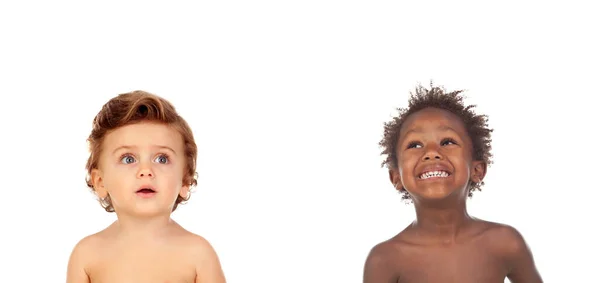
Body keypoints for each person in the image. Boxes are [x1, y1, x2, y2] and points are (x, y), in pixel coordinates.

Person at [363, 84, 542, 283]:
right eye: (414, 145)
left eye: (447, 142)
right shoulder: (385, 259)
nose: (431, 152)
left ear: (477, 170)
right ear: (396, 177)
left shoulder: (506, 243)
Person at [66, 90, 226, 283]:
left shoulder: (198, 255)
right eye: (128, 158)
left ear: (185, 181)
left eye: (162, 158)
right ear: (100, 182)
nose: (146, 170)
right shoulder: (87, 255)